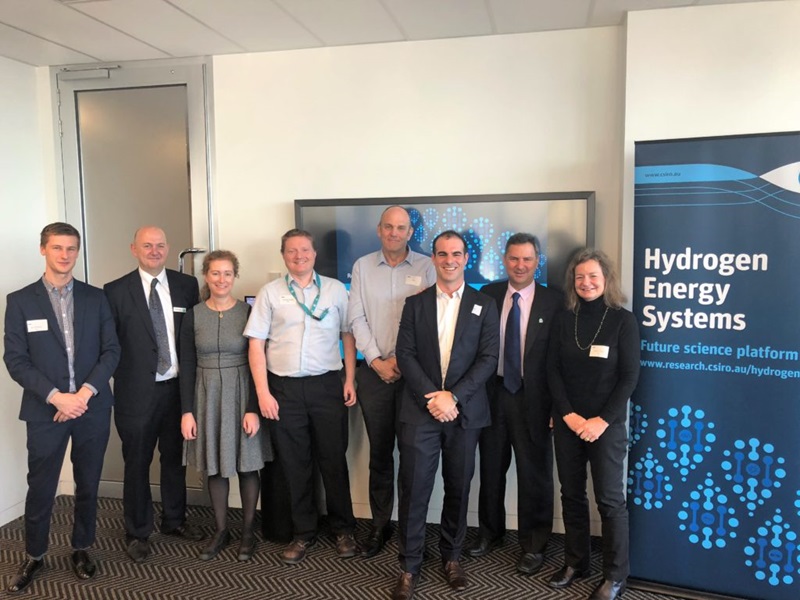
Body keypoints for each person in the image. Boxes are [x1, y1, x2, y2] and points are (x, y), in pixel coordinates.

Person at [3, 222, 120, 593]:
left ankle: (81, 548)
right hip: (45, 411)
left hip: (91, 408)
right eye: (57, 248)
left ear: (77, 251)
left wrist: (83, 395)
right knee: (41, 486)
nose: (65, 255)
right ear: (43, 250)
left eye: (71, 248)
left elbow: (111, 351)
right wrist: (57, 397)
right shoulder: (19, 301)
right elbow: (16, 360)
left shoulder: (95, 298)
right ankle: (35, 554)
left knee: (87, 483)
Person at [392, 230, 499, 600]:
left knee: (458, 488)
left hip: (465, 413)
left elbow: (489, 359)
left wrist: (452, 396)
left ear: (466, 258)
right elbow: (404, 354)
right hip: (421, 412)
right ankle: (409, 566)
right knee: (415, 489)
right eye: (442, 254)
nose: (449, 260)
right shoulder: (415, 303)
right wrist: (432, 398)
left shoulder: (484, 304)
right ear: (434, 259)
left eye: (456, 253)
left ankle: (452, 558)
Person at [245, 228, 358, 565]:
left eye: (305, 250)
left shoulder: (337, 290)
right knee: (295, 464)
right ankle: (303, 533)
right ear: (283, 255)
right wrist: (263, 393)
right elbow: (256, 345)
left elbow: (348, 335)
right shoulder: (270, 293)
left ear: (314, 254)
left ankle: (343, 530)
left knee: (333, 460)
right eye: (292, 251)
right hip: (284, 390)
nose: (299, 256)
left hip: (327, 386)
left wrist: (349, 379)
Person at [104, 226, 203, 563]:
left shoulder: (186, 286)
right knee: (138, 463)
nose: (155, 251)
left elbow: (193, 337)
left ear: (167, 247)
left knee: (175, 459)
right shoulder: (115, 291)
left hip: (177, 391)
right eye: (147, 245)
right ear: (134, 249)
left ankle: (174, 520)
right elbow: (109, 346)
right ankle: (138, 531)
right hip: (136, 393)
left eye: (160, 245)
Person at [546, 249, 640, 600]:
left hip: (606, 425)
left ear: (606, 280)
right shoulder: (563, 317)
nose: (586, 283)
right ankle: (576, 562)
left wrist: (601, 420)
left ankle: (615, 576)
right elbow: (551, 369)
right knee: (570, 494)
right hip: (569, 421)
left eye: (593, 277)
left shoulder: (622, 320)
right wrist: (568, 414)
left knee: (610, 500)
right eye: (580, 277)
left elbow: (630, 377)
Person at [468, 233, 563, 574]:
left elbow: (560, 360)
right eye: (513, 259)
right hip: (492, 394)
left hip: (534, 398)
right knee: (491, 469)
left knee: (533, 473)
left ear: (537, 262)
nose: (520, 265)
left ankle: (534, 545)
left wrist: (557, 408)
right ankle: (489, 533)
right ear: (504, 260)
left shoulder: (555, 302)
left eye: (527, 259)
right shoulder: (487, 295)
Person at [347, 206, 436, 558]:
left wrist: (401, 361)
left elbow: (431, 318)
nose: (394, 233)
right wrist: (376, 361)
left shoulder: (428, 266)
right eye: (389, 227)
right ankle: (380, 526)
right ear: (379, 229)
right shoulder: (362, 266)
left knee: (415, 459)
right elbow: (356, 317)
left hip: (416, 378)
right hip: (374, 375)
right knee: (380, 457)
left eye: (401, 228)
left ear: (411, 232)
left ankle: (411, 534)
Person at [179, 250, 273, 561]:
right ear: (206, 276)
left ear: (235, 277)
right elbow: (188, 364)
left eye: (228, 274)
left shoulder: (248, 313)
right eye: (216, 273)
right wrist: (187, 411)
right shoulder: (193, 314)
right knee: (215, 466)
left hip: (242, 390)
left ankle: (247, 530)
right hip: (205, 393)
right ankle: (221, 529)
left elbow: (257, 361)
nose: (222, 279)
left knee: (247, 464)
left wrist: (253, 407)